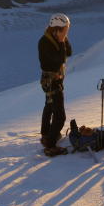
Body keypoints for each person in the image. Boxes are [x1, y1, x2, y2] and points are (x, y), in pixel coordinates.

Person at [39, 13, 72, 156]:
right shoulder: (45, 42)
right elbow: (60, 59)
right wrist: (61, 41)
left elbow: (69, 52)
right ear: (56, 29)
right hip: (51, 81)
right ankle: (50, 145)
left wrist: (63, 39)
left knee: (49, 106)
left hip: (53, 80)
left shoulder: (55, 38)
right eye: (65, 29)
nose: (67, 32)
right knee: (60, 116)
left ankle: (46, 135)